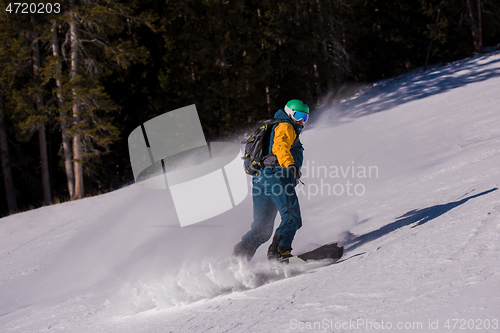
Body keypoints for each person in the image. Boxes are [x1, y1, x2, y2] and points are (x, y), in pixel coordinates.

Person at [233, 99, 309, 262]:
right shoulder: (286, 126)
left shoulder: (275, 126)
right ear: (289, 113)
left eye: (305, 117)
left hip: (260, 180)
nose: (301, 121)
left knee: (262, 227)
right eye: (299, 116)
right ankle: (279, 250)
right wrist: (290, 164)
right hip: (277, 177)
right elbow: (280, 147)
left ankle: (239, 256)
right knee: (292, 216)